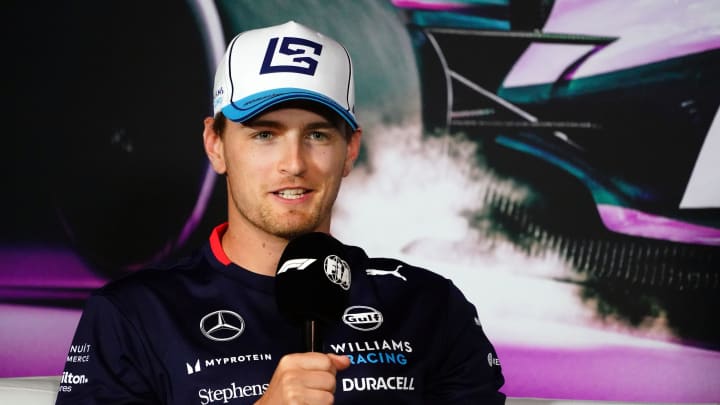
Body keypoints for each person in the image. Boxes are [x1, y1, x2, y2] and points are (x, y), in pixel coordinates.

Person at [55, 21, 505, 404]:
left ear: (350, 150)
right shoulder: (132, 314)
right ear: (216, 144)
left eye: (318, 135)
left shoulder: (429, 305)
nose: (293, 163)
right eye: (264, 134)